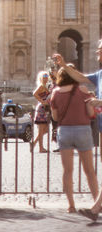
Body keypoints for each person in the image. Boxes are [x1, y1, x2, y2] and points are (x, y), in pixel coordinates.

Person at [53, 45, 102, 220]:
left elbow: (55, 116)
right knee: (90, 170)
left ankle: (80, 206)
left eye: (100, 50)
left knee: (68, 171)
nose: (97, 52)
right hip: (90, 129)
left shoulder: (55, 93)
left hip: (65, 131)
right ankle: (97, 203)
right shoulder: (90, 83)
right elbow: (90, 112)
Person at [32, 71, 51, 153]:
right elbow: (34, 93)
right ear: (41, 78)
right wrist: (42, 101)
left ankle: (34, 143)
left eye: (46, 77)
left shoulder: (45, 86)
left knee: (45, 130)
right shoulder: (41, 86)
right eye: (44, 78)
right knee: (41, 129)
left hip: (45, 108)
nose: (45, 79)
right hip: (42, 108)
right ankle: (41, 148)